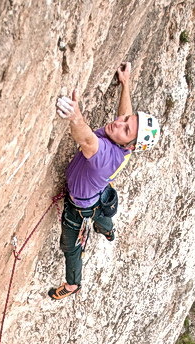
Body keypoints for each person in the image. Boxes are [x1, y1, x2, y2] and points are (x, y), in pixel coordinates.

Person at [48, 62, 160, 300]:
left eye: (126, 129)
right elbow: (124, 113)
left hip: (78, 206)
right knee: (100, 214)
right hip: (96, 193)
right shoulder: (124, 142)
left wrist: (75, 117)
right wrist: (125, 83)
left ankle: (72, 285)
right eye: (126, 121)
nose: (118, 124)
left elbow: (87, 141)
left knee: (70, 247)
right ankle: (108, 232)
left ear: (129, 145)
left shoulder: (108, 156)